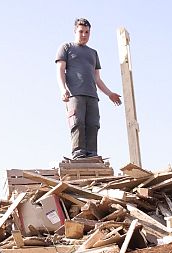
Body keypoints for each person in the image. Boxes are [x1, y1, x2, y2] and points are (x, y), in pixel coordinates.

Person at [55, 17, 121, 160]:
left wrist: (109, 94)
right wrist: (63, 89)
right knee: (77, 122)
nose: (84, 35)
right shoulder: (66, 47)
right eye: (81, 31)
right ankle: (78, 153)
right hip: (75, 94)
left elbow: (97, 78)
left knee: (93, 124)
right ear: (75, 31)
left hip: (92, 95)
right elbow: (60, 70)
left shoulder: (93, 53)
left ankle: (91, 154)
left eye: (87, 32)